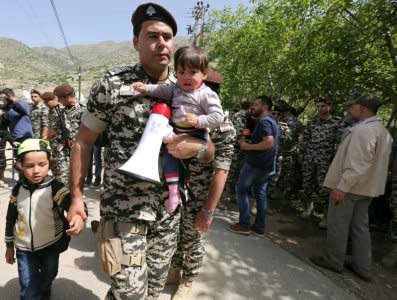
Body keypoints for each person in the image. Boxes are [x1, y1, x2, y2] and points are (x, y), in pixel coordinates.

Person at [68, 3, 215, 299]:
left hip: (167, 211)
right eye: (152, 36)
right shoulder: (113, 84)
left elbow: (211, 150)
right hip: (124, 208)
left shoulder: (190, 90)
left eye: (167, 36)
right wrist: (76, 197)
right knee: (131, 293)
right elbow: (83, 142)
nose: (161, 43)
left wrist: (197, 149)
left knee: (152, 291)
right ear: (136, 42)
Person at [168, 70, 236, 299]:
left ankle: (188, 279)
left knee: (194, 238)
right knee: (177, 233)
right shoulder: (183, 117)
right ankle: (175, 269)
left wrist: (208, 210)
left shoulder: (223, 127)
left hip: (198, 194)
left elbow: (221, 171)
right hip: (176, 190)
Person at [131, 45, 224, 213]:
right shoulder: (176, 89)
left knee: (185, 165)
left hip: (196, 133)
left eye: (192, 72)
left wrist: (199, 120)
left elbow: (218, 117)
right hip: (177, 132)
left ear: (204, 73)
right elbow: (160, 90)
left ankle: (183, 188)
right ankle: (174, 192)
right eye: (181, 72)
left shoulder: (207, 94)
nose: (186, 77)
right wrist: (145, 88)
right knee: (169, 158)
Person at [310, 94, 392, 281]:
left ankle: (333, 261)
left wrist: (342, 187)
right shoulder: (382, 131)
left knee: (338, 224)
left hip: (351, 188)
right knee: (360, 228)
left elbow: (357, 164)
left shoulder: (363, 132)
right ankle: (363, 267)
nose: (349, 110)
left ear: (363, 109)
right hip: (367, 189)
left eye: (352, 107)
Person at [4, 139, 84, 300]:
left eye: (42, 164)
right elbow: (10, 217)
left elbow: (72, 203)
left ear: (49, 163)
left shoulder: (55, 187)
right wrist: (9, 245)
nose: (36, 171)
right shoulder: (17, 190)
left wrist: (78, 216)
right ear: (20, 166)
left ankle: (44, 288)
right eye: (29, 166)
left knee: (49, 274)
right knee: (28, 285)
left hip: (50, 245)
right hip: (24, 248)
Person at [228, 95, 278, 236]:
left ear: (265, 107)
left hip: (256, 164)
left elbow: (269, 142)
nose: (253, 107)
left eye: (256, 105)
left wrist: (247, 147)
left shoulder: (264, 122)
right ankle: (259, 227)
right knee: (260, 194)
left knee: (241, 190)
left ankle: (244, 224)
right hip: (266, 165)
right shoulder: (270, 121)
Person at [300, 98, 341, 228]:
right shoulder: (312, 122)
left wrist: (336, 159)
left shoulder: (337, 122)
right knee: (307, 184)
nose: (319, 109)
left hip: (325, 160)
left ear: (329, 106)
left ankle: (326, 216)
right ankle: (309, 208)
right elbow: (305, 139)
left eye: (322, 106)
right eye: (317, 106)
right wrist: (301, 153)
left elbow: (339, 143)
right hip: (310, 158)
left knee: (324, 188)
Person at [53, 84, 85, 186]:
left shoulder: (83, 110)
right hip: (61, 153)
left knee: (74, 181)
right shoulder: (62, 111)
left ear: (67, 97)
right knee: (61, 181)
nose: (58, 101)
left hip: (76, 152)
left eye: (59, 98)